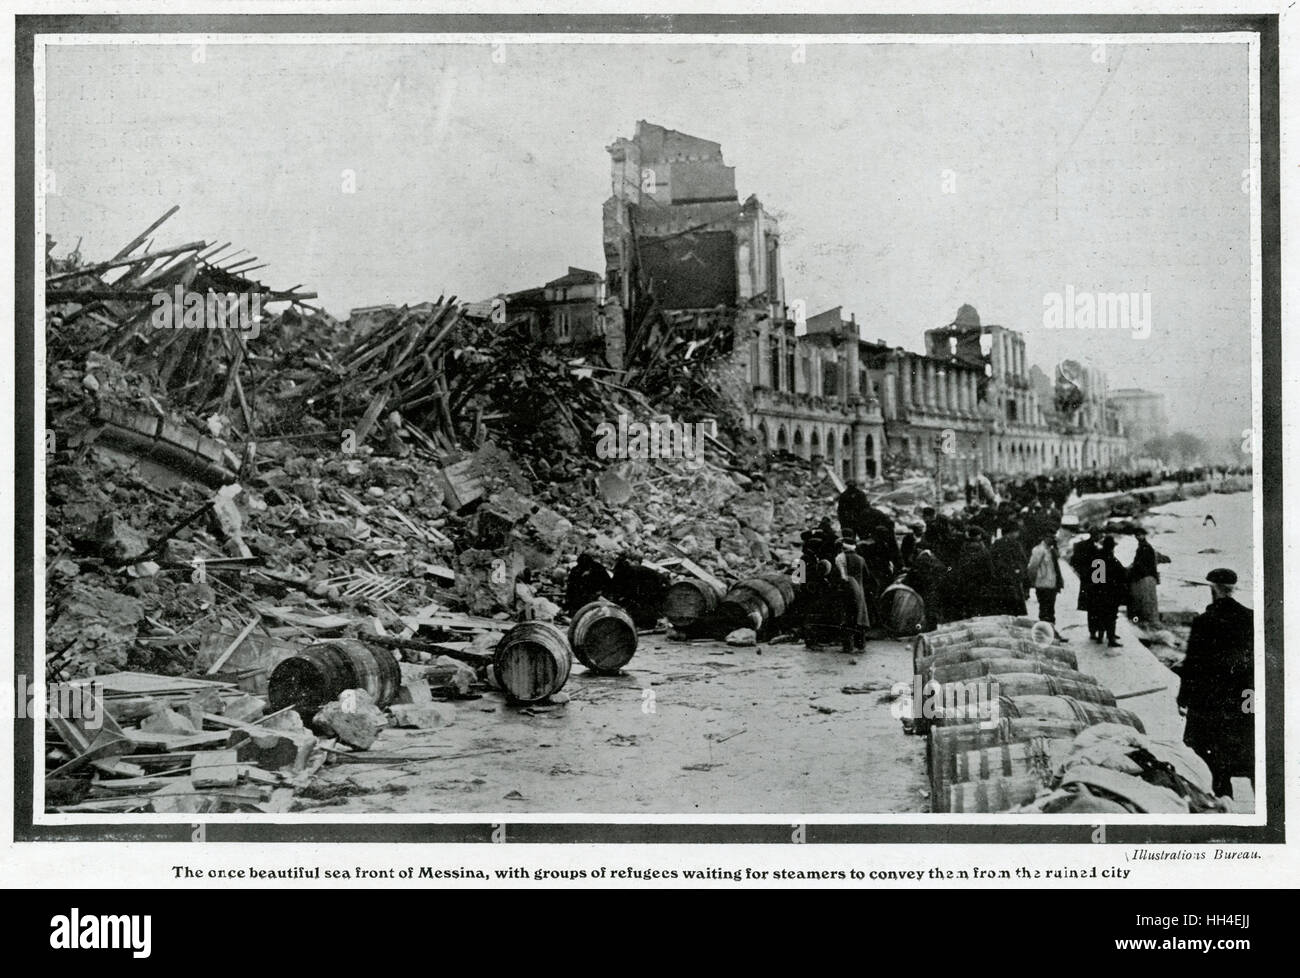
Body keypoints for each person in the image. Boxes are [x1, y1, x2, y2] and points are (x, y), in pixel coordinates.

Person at [1177, 568, 1254, 796]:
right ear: (1233, 588)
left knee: (1208, 757)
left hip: (1208, 702)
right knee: (1239, 752)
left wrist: (1183, 698)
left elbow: (1192, 665)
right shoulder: (1250, 617)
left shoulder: (1204, 621)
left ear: (1213, 588)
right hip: (1240, 700)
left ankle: (1222, 802)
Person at [610, 552, 668, 629]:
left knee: (644, 603)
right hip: (652, 585)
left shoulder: (629, 573)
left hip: (653, 585)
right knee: (642, 603)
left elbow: (632, 591)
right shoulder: (628, 571)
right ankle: (647, 622)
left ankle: (647, 623)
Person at [1026, 531, 1066, 641]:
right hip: (1043, 585)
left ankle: (1050, 632)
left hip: (1051, 585)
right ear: (1045, 537)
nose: (1053, 540)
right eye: (1051, 537)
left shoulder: (1050, 550)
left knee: (1050, 611)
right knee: (1045, 611)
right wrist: (1034, 582)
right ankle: (1046, 634)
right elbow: (1032, 568)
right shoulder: (1039, 550)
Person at [1090, 537, 1128, 647]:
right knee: (1111, 616)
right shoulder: (1111, 559)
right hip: (1110, 592)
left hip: (1098, 591)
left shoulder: (1097, 557)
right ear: (1112, 547)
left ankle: (1100, 637)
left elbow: (1093, 575)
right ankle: (1111, 639)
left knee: (1100, 614)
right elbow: (1121, 573)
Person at [1069, 527, 1105, 636]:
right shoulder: (1098, 547)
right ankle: (1098, 630)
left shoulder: (1080, 545)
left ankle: (1093, 630)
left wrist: (1082, 573)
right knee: (1098, 606)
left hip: (1089, 580)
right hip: (1095, 580)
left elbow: (1073, 561)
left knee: (1092, 607)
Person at [989, 521, 1029, 616]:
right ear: (1011, 532)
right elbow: (1023, 560)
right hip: (1012, 580)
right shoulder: (1015, 544)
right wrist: (1019, 571)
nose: (1018, 534)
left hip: (1001, 581)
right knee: (1013, 607)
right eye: (1016, 532)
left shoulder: (997, 543)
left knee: (1003, 607)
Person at [1126, 527, 1161, 625]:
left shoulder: (1145, 547)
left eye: (1139, 535)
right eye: (1136, 535)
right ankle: (1147, 620)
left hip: (1145, 577)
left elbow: (1140, 563)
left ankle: (1145, 621)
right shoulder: (1143, 546)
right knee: (1147, 602)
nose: (1138, 537)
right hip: (1147, 576)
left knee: (1145, 601)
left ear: (1143, 535)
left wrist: (1131, 569)